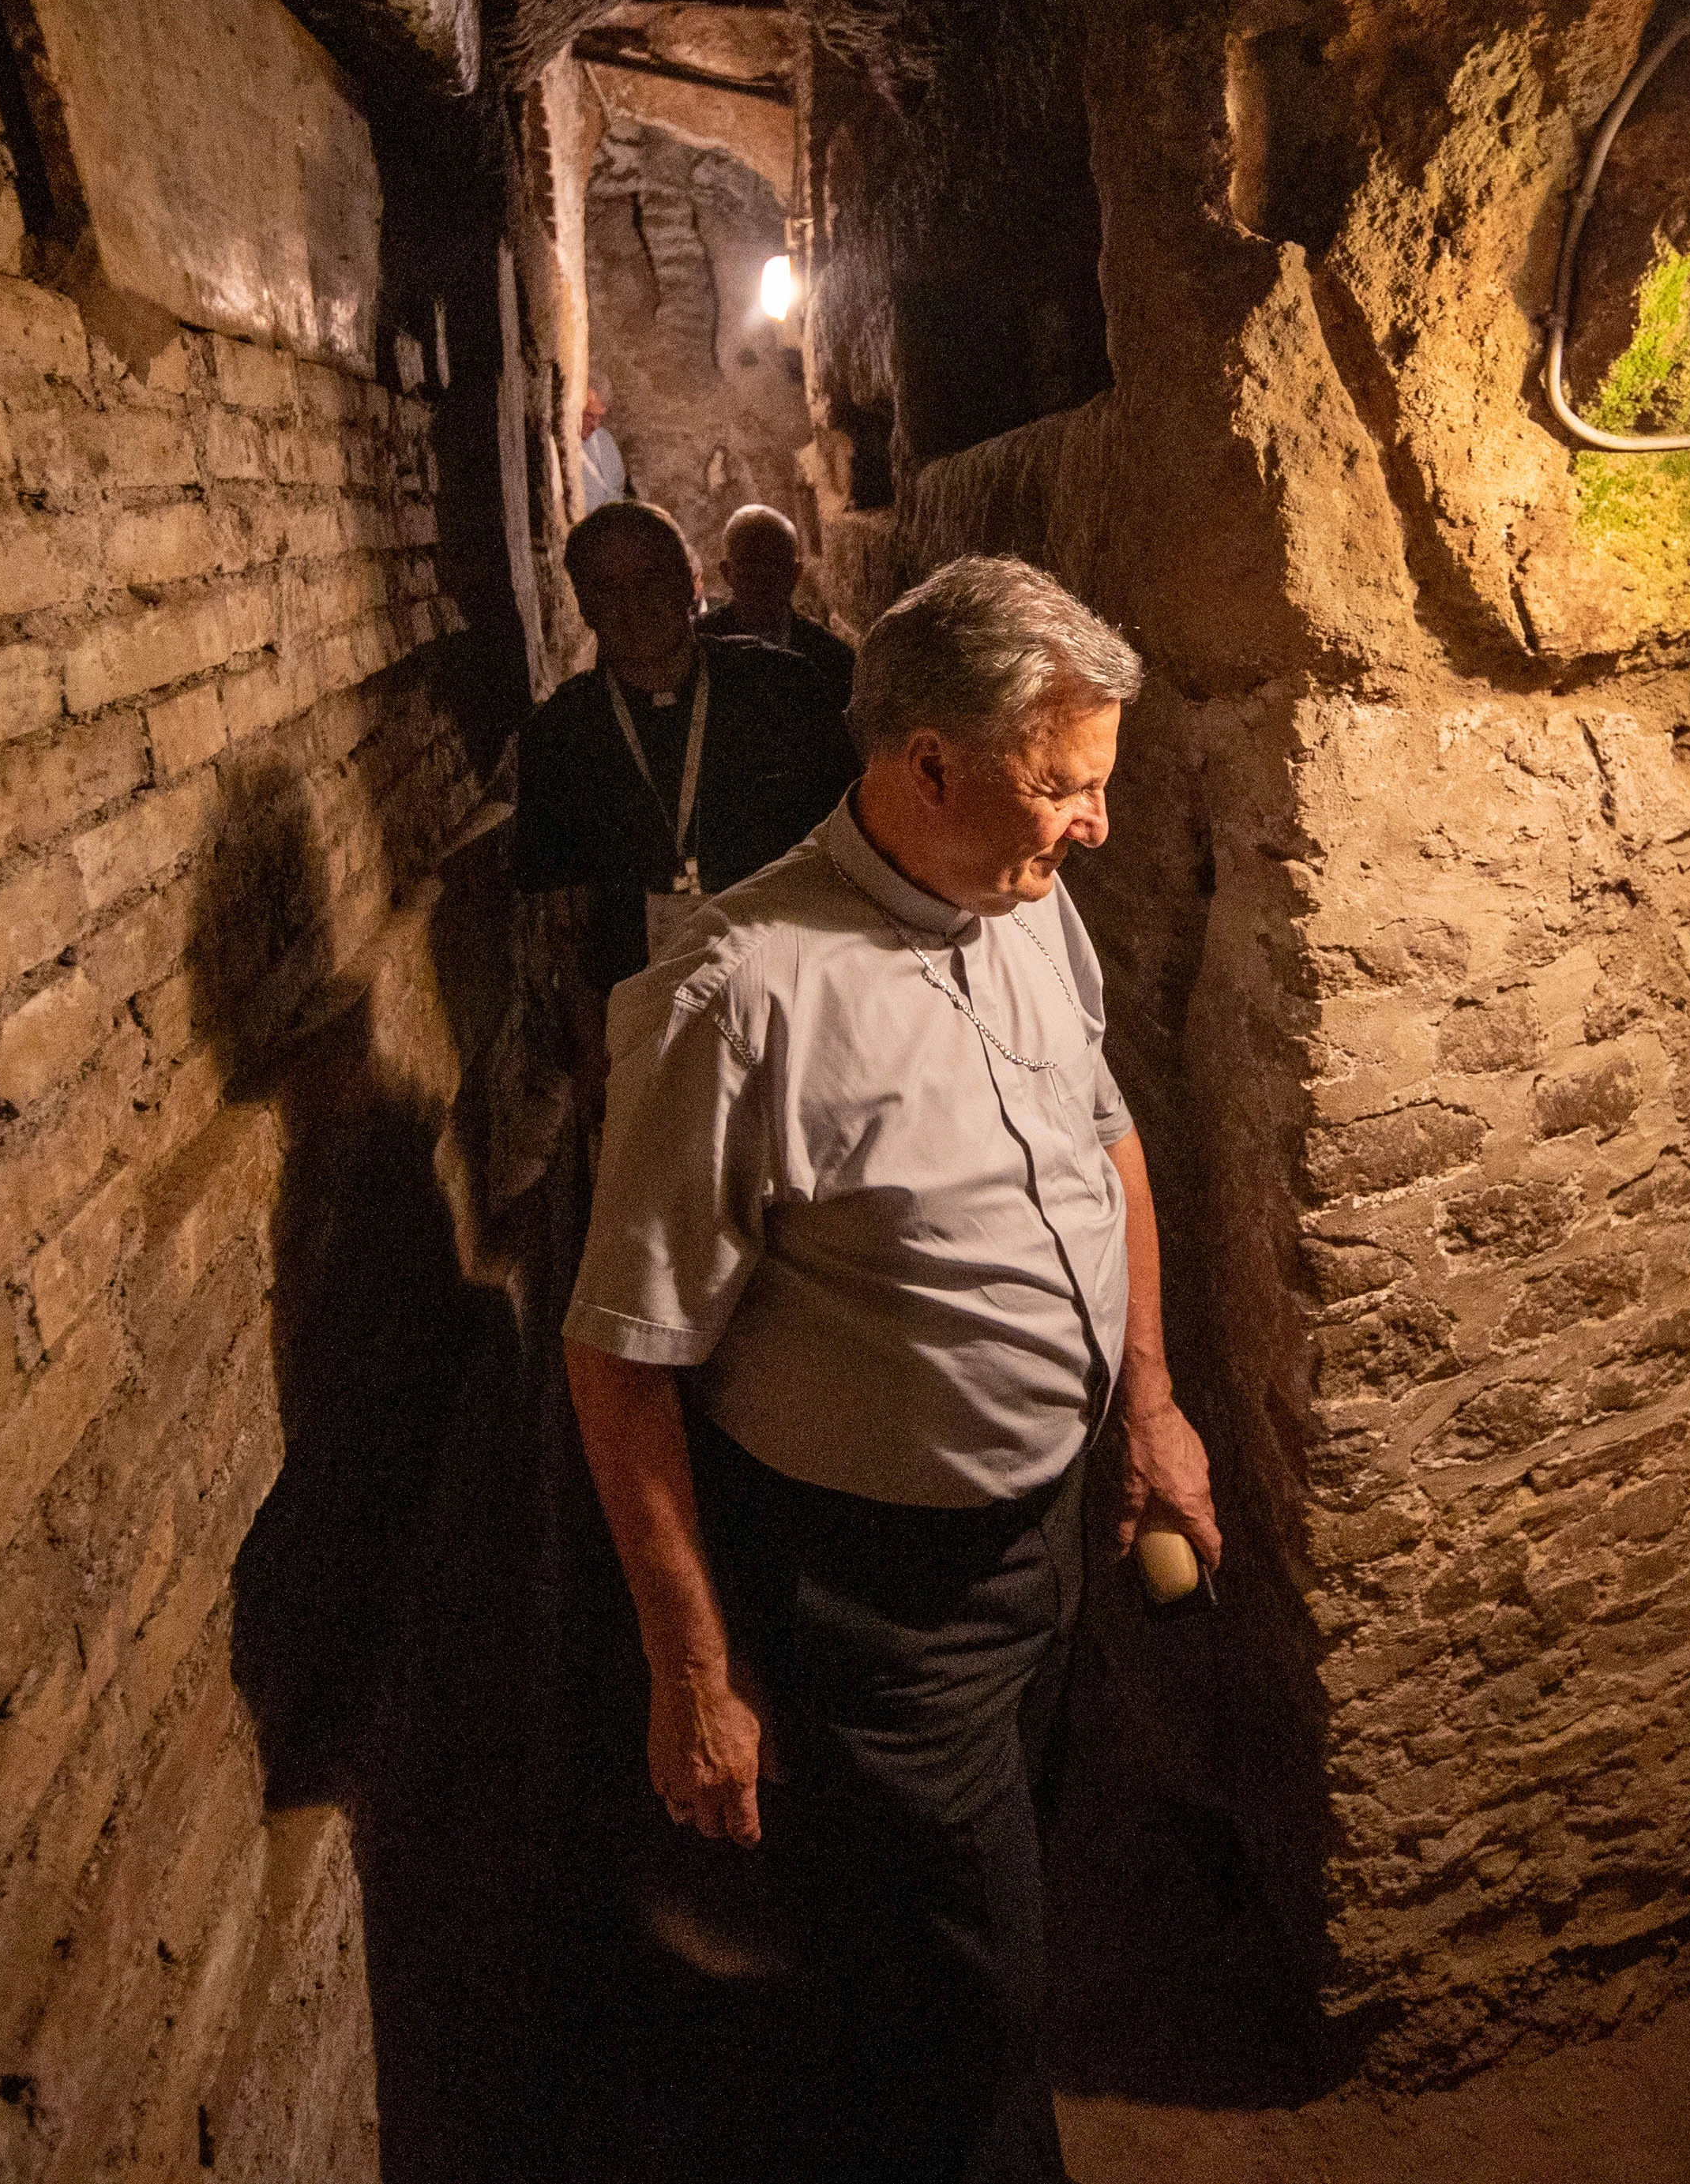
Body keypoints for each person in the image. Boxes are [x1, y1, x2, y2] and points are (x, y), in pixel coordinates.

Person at [561, 555, 1219, 2184]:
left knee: (964, 1913)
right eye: (1065, 786)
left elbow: (1104, 1136)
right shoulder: (740, 997)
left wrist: (1143, 1400)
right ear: (929, 763)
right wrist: (694, 1672)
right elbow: (622, 1356)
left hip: (1041, 1540)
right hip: (877, 1593)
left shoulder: (1025, 902)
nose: (1097, 827)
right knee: (973, 1988)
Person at [507, 503, 854, 1089]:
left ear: (690, 585)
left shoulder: (784, 691)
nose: (632, 605)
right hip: (640, 1013)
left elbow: (848, 850)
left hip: (789, 1000)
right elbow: (561, 919)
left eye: (649, 582)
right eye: (608, 588)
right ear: (584, 603)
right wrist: (594, 1056)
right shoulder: (560, 733)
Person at [695, 501, 857, 708]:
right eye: (751, 562)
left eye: (775, 562)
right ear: (727, 572)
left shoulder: (830, 658)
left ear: (795, 573)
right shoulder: (699, 646)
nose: (764, 575)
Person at [573, 378, 628, 515]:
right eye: (589, 415)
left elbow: (618, 486)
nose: (595, 425)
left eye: (599, 417)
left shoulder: (604, 439)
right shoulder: (562, 450)